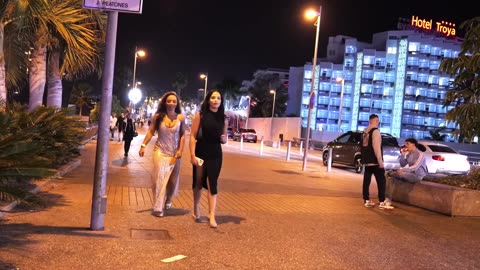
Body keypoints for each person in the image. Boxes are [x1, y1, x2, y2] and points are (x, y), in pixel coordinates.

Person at [139, 92, 186, 217]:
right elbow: (150, 132)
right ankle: (158, 207)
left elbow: (182, 135)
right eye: (169, 101)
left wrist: (180, 150)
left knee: (173, 181)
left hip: (174, 153)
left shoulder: (181, 118)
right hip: (159, 150)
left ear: (177, 103)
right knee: (160, 176)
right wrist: (143, 146)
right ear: (165, 102)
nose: (171, 103)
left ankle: (169, 198)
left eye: (174, 101)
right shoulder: (158, 116)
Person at [189, 90, 228, 228]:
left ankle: (212, 215)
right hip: (201, 152)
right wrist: (192, 155)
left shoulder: (224, 118)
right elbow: (193, 136)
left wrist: (224, 139)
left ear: (221, 101)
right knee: (198, 182)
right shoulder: (200, 116)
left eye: (218, 98)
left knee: (213, 183)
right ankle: (196, 208)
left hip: (216, 153)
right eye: (213, 97)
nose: (215, 100)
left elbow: (224, 138)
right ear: (208, 99)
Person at [361, 114, 393, 210]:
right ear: (375, 121)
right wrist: (380, 161)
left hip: (367, 161)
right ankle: (382, 201)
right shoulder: (375, 131)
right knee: (381, 181)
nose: (378, 122)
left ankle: (366, 200)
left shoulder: (365, 132)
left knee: (367, 180)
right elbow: (376, 147)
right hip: (375, 161)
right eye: (377, 121)